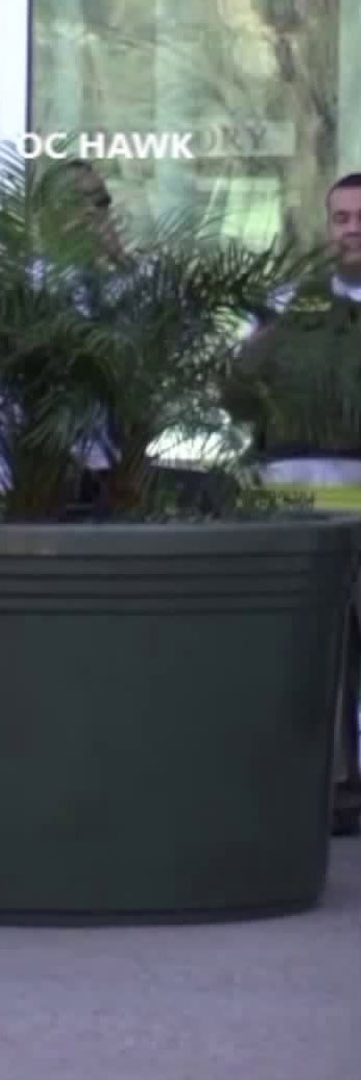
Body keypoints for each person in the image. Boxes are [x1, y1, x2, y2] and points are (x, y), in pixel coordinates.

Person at [231, 172, 361, 837]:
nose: (351, 228)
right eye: (341, 217)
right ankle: (325, 790)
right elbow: (236, 395)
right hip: (297, 500)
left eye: (360, 216)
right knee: (315, 655)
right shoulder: (294, 303)